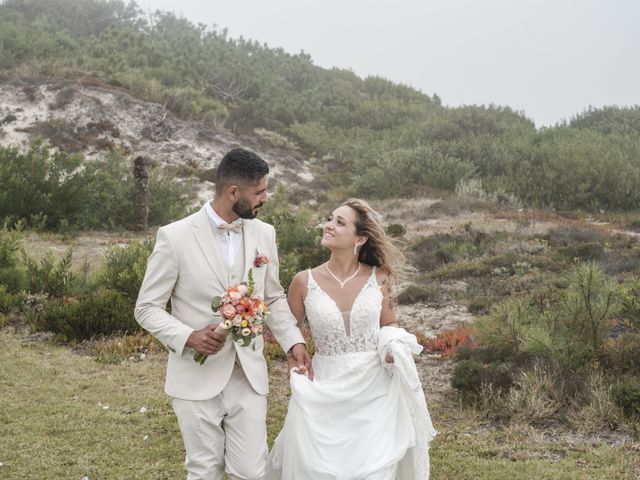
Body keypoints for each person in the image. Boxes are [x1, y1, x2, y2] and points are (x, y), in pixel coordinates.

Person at [134, 148, 312, 480]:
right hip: (195, 376)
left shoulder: (265, 234)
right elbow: (146, 308)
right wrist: (188, 336)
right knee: (204, 470)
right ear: (234, 193)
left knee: (251, 471)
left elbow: (271, 296)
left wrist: (293, 343)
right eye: (259, 191)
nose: (265, 198)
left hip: (248, 374)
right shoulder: (174, 237)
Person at [265, 198, 436, 480]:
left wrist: (391, 348)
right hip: (323, 387)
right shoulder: (303, 281)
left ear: (360, 238)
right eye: (330, 218)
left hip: (374, 388)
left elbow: (389, 323)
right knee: (320, 470)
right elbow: (289, 331)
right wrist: (292, 360)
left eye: (339, 222)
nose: (329, 225)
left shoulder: (380, 276)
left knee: (372, 469)